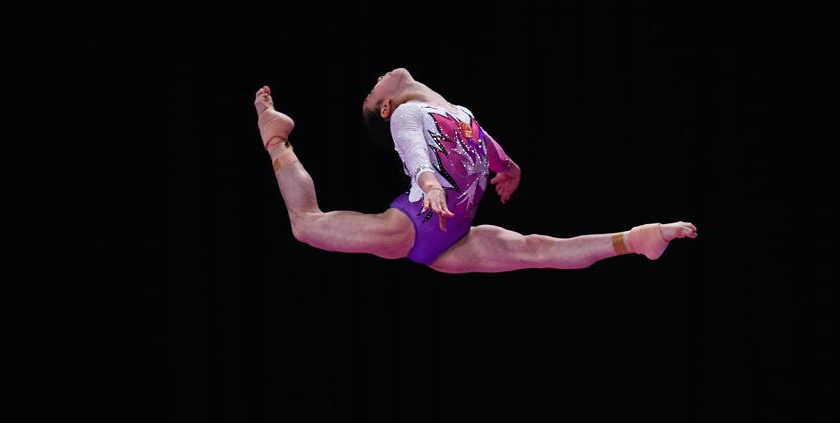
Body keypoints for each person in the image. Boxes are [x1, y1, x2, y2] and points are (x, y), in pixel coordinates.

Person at [254, 68, 697, 272]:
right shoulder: (408, 116)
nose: (378, 79)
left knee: (537, 250)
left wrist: (510, 168)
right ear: (386, 107)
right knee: (306, 226)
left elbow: (488, 149)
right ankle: (276, 136)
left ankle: (637, 240)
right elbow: (415, 155)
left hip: (455, 236)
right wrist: (428, 183)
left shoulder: (460, 113)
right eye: (373, 91)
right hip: (413, 224)